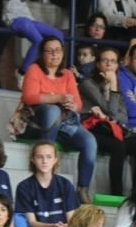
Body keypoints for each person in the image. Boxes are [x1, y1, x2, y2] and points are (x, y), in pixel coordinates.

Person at [21, 36, 97, 202]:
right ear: (42, 54)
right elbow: (29, 97)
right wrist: (58, 97)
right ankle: (47, 175)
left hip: (64, 123)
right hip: (38, 123)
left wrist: (70, 104)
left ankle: (82, 189)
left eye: (58, 50)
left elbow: (78, 104)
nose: (55, 54)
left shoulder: (68, 74)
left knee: (90, 141)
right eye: (50, 51)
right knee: (53, 110)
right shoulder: (34, 70)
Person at [80, 46, 136, 195]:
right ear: (98, 64)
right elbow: (112, 111)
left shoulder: (121, 85)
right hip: (94, 129)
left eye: (112, 61)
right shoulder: (88, 83)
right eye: (105, 60)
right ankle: (117, 193)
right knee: (118, 146)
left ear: (117, 65)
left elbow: (122, 116)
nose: (108, 64)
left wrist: (109, 114)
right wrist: (113, 87)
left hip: (113, 129)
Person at [0, 0, 64, 77]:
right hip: (14, 21)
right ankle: (22, 72)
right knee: (39, 40)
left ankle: (55, 68)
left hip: (28, 21)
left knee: (58, 34)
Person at [15, 141, 79, 227]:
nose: (44, 161)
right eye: (40, 157)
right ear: (33, 159)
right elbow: (32, 223)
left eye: (49, 157)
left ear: (55, 159)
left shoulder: (65, 184)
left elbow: (71, 221)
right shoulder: (24, 187)